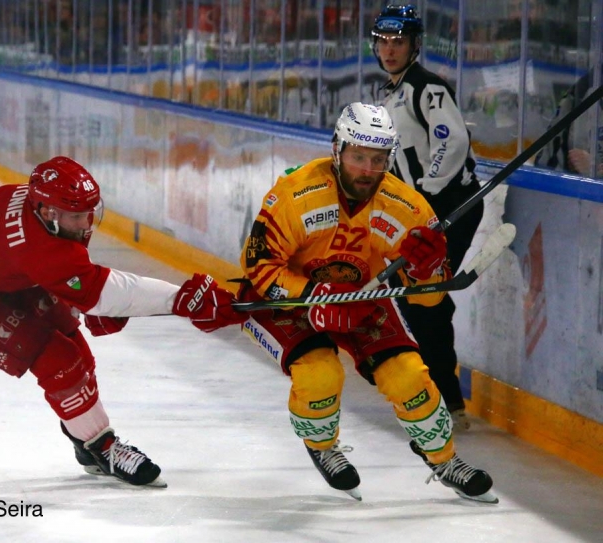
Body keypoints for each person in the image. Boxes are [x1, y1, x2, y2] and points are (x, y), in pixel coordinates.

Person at [0, 156, 246, 487]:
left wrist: (89, 300)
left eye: (90, 212)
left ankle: (86, 441)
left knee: (71, 336)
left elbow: (75, 280)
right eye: (77, 216)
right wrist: (184, 298)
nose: (87, 224)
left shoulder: (39, 211)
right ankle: (102, 447)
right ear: (47, 212)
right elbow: (103, 290)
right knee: (61, 362)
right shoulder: (37, 246)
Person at [239, 102, 497, 504]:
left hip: (360, 297)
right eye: (358, 156)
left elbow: (431, 303)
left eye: (378, 159)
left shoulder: (408, 208)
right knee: (321, 374)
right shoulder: (296, 194)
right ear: (337, 149)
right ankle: (322, 446)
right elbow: (257, 267)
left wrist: (429, 270)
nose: (367, 169)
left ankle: (443, 459)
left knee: (409, 374)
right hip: (287, 298)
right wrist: (312, 298)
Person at [371, 4, 484, 431]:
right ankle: (438, 396)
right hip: (423, 214)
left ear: (415, 44)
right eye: (383, 40)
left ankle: (449, 404)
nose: (390, 49)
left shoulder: (427, 88)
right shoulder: (389, 93)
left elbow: (453, 142)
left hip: (453, 208)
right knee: (416, 300)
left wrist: (425, 196)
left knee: (425, 302)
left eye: (398, 41)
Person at [535, 66, 603, 178]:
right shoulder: (583, 93)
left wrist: (594, 171)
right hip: (566, 187)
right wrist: (591, 169)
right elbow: (565, 161)